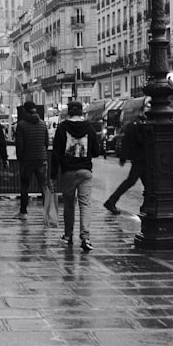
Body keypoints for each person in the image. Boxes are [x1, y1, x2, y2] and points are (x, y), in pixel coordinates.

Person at [50, 100, 101, 251]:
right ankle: (85, 237)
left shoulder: (62, 128)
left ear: (69, 112)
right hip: (85, 171)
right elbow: (97, 152)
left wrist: (53, 175)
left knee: (69, 204)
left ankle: (68, 235)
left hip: (68, 171)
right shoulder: (89, 128)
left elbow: (56, 154)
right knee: (85, 204)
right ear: (81, 112)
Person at [103, 111, 146, 215]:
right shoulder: (140, 125)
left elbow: (126, 141)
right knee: (134, 182)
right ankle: (111, 201)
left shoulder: (132, 124)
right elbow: (140, 140)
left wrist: (123, 156)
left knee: (144, 183)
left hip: (137, 158)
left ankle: (146, 206)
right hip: (142, 158)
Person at [14, 101, 49, 220]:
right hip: (41, 158)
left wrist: (20, 158)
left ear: (25, 110)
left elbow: (20, 144)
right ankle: (48, 212)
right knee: (44, 185)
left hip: (27, 160)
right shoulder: (43, 124)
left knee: (25, 186)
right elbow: (46, 142)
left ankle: (23, 212)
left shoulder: (21, 125)